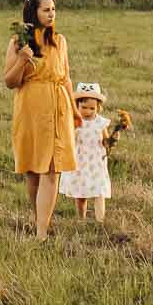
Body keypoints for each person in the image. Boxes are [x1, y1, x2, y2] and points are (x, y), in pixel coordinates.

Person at [4, 0, 76, 241]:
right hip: (31, 109)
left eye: (53, 9)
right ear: (33, 12)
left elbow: (66, 77)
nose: (51, 14)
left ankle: (42, 232)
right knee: (33, 171)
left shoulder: (61, 41)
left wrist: (76, 110)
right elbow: (9, 82)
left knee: (52, 170)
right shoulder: (19, 42)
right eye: (46, 9)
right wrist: (23, 60)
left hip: (59, 107)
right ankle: (39, 221)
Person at [62, 83, 114, 222]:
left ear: (98, 108)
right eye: (84, 107)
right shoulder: (75, 122)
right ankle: (81, 218)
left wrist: (112, 139)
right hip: (80, 161)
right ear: (77, 106)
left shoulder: (100, 123)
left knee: (99, 191)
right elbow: (69, 140)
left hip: (96, 161)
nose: (88, 111)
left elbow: (105, 140)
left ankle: (100, 220)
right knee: (81, 193)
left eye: (92, 108)